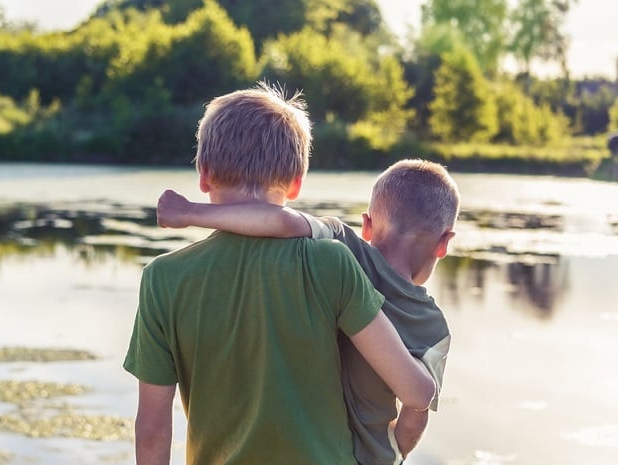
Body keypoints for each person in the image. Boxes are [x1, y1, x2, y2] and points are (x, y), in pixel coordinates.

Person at [124, 83, 435, 465]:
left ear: (204, 175)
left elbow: (153, 430)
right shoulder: (331, 263)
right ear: (296, 182)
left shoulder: (162, 279)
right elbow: (416, 393)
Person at [156, 159, 460, 465]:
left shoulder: (344, 245)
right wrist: (394, 451)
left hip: (307, 442)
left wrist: (191, 213)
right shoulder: (434, 327)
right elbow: (414, 418)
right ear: (444, 243)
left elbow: (283, 222)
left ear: (367, 226)